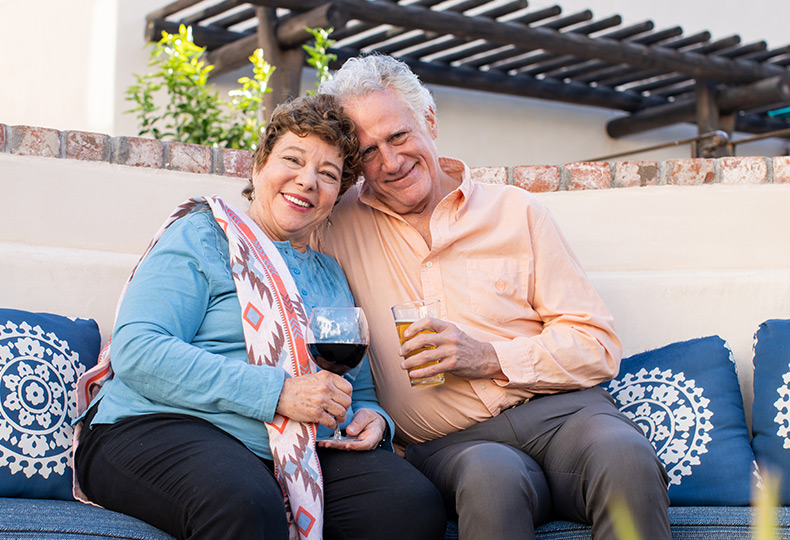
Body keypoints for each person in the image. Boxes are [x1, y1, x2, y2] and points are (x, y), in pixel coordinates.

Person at [316, 54, 671, 540]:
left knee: (626, 456)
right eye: (368, 151)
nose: (391, 162)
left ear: (430, 121)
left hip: (565, 417)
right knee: (491, 479)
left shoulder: (516, 211)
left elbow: (598, 345)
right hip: (452, 445)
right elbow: (276, 216)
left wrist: (487, 356)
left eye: (398, 136)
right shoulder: (336, 225)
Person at [73, 93, 446, 540]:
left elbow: (356, 385)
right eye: (293, 159)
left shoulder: (329, 273)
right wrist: (279, 392)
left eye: (328, 175)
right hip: (155, 425)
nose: (308, 181)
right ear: (259, 167)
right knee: (244, 502)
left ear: (336, 197)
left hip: (289, 445)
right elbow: (139, 350)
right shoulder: (202, 236)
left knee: (409, 504)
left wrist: (371, 416)